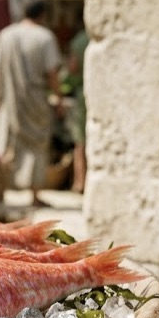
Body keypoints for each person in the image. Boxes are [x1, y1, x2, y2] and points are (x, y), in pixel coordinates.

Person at [0, 0, 63, 207]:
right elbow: (52, 72)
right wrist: (58, 97)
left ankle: (0, 190)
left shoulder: (5, 35)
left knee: (8, 143)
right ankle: (35, 195)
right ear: (43, 15)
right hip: (36, 101)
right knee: (37, 147)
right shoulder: (45, 37)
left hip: (9, 99)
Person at [67, 26, 89, 194]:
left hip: (83, 94)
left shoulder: (80, 40)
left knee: (80, 141)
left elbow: (72, 67)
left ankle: (80, 182)